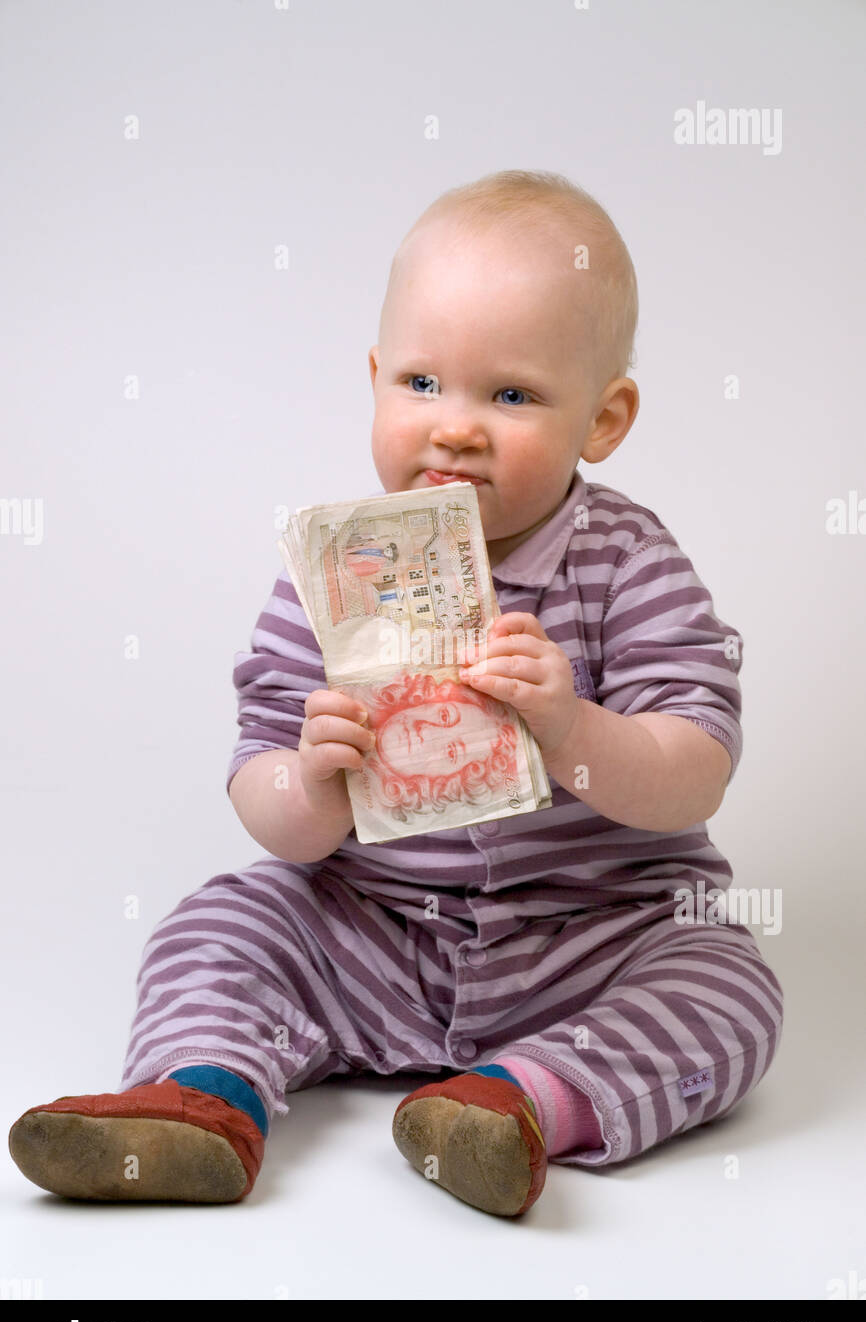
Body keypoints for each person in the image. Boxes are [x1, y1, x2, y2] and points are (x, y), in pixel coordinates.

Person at [9, 169, 783, 1219]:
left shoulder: (626, 562)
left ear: (603, 420)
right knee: (229, 915)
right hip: (373, 933)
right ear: (374, 378)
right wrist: (311, 776)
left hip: (592, 936)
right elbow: (266, 796)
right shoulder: (331, 573)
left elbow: (694, 771)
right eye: (421, 383)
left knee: (726, 980)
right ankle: (199, 1098)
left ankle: (518, 1103)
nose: (453, 428)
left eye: (509, 395)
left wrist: (571, 729)